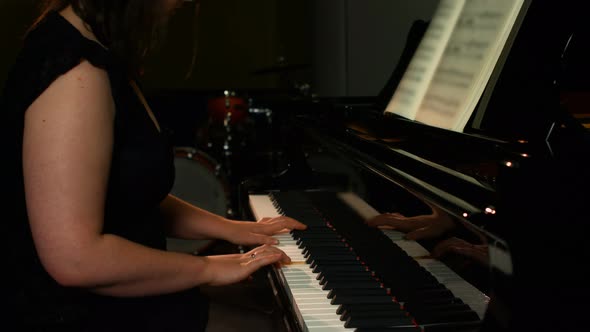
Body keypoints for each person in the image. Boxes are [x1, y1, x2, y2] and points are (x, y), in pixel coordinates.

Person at [3, 1, 306, 331]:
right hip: (79, 314)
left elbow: (124, 195)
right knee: (273, 322)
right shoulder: (77, 72)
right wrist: (210, 268)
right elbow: (75, 259)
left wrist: (232, 228)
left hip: (124, 297)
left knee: (272, 306)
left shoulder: (93, 48)